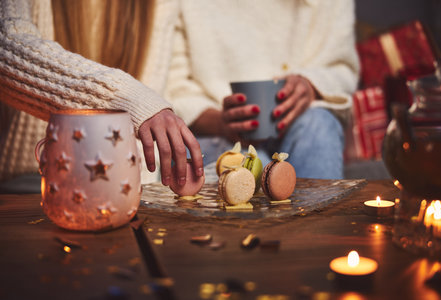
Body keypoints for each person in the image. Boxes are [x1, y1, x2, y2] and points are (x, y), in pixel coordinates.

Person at [0, 0, 203, 191]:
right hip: (25, 185)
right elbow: (7, 42)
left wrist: (137, 197)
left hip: (118, 190)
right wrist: (128, 98)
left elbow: (145, 138)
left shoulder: (159, 4)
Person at [164, 0, 360, 179]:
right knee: (245, 168)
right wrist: (221, 123)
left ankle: (315, 215)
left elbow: (342, 67)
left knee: (319, 123)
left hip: (299, 121)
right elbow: (174, 88)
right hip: (213, 130)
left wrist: (310, 85)